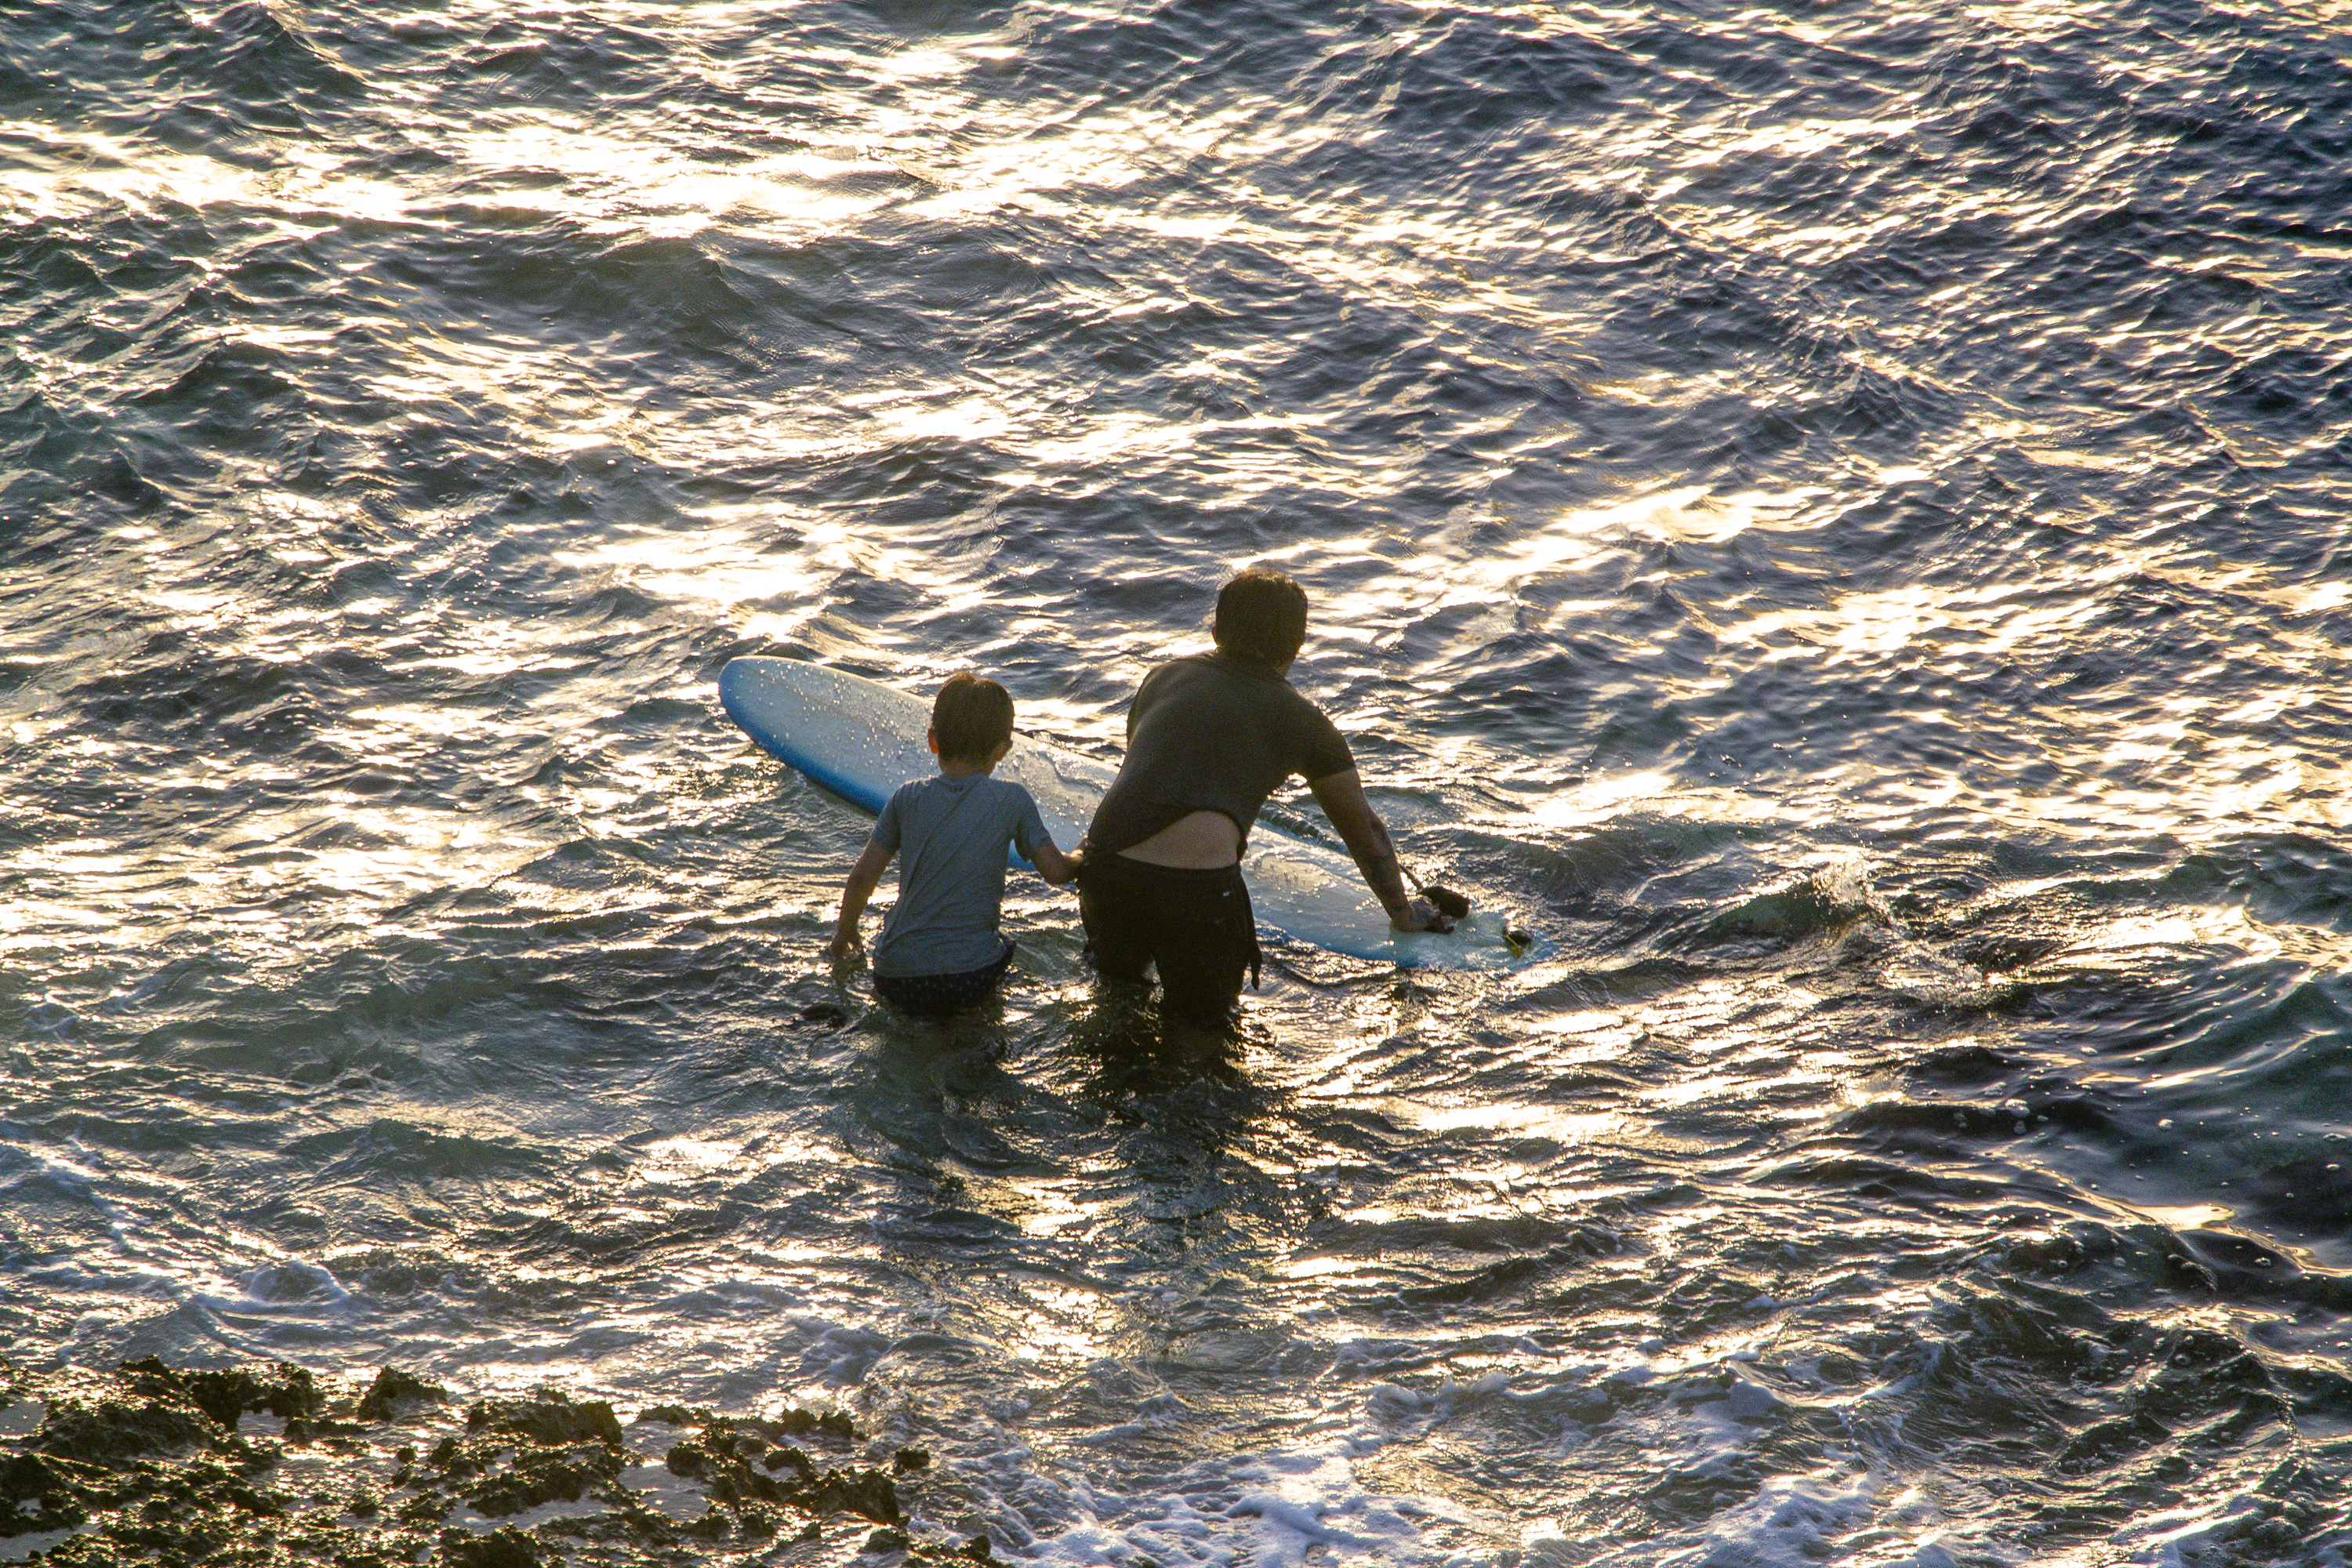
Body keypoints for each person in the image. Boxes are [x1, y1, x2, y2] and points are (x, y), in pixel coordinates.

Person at [1078, 567, 1452, 1022]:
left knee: (1115, 1006)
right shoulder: (1305, 720)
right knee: (1202, 1030)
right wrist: (1404, 913)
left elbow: (1147, 773)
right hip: (1194, 890)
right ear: (1299, 644)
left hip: (1106, 868)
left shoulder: (1163, 677)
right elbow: (1364, 831)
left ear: (1215, 632)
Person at [828, 672, 1080, 1014]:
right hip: (969, 975)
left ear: (933, 741)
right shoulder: (1012, 800)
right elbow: (1056, 871)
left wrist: (845, 933)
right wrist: (1082, 855)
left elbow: (861, 878)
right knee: (988, 990)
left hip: (895, 972)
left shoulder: (906, 798)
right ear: (1002, 750)